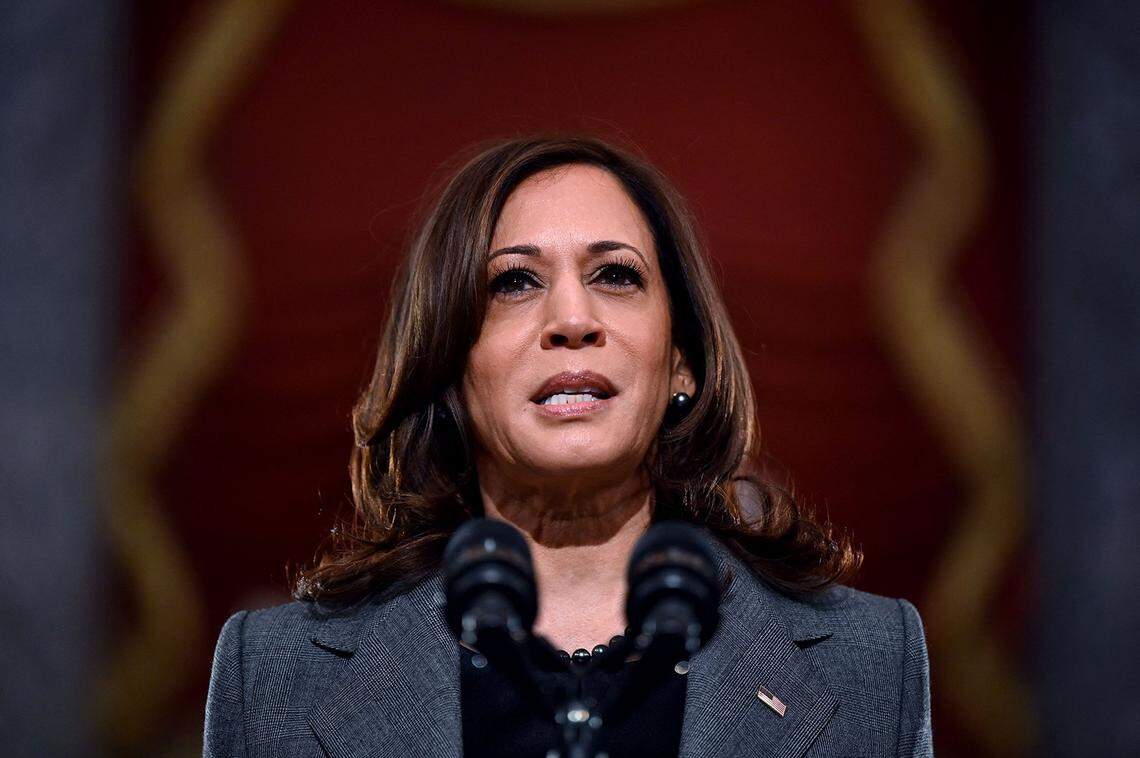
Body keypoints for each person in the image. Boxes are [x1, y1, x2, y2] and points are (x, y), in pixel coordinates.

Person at [203, 134, 932, 757]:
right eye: (514, 282)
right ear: (450, 363)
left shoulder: (871, 663)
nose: (572, 319)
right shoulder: (272, 676)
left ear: (682, 360)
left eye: (616, 275)